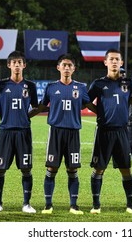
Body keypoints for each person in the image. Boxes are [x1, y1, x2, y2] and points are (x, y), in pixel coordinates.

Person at [29, 53, 91, 215]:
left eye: (70, 65)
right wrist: (25, 116)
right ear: (58, 67)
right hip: (55, 132)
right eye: (64, 65)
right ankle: (48, 205)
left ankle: (74, 205)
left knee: (72, 169)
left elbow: (88, 105)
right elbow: (42, 107)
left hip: (73, 134)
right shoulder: (51, 87)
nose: (67, 68)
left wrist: (104, 116)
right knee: (52, 168)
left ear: (74, 69)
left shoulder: (81, 87)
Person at [88, 48, 132, 214]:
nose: (115, 62)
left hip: (122, 132)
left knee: (126, 168)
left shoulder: (128, 83)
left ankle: (130, 205)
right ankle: (96, 205)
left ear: (122, 63)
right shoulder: (98, 83)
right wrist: (100, 112)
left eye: (117, 59)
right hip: (104, 131)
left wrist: (128, 104)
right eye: (111, 59)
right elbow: (86, 102)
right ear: (105, 62)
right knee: (98, 168)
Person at [0, 51, 38, 214]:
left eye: (19, 62)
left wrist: (25, 116)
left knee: (26, 169)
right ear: (9, 65)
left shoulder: (30, 86)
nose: (16, 65)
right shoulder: (0, 85)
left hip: (23, 132)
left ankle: (26, 203)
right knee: (0, 168)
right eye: (13, 62)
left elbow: (36, 107)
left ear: (24, 65)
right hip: (5, 132)